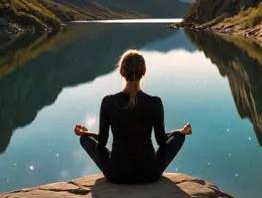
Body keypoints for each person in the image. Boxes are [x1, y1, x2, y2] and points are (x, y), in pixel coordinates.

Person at [74, 49, 192, 184]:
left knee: (84, 140)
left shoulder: (108, 102)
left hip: (116, 175)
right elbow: (162, 142)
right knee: (179, 138)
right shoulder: (155, 102)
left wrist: (86, 133)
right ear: (144, 72)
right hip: (149, 174)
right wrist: (179, 132)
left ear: (121, 71)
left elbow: (102, 142)